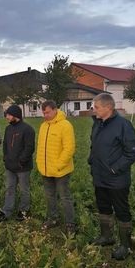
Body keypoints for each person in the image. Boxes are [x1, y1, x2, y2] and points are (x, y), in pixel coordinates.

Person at [88, 93, 135, 260]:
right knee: (103, 207)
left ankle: (125, 245)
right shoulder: (97, 124)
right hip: (99, 177)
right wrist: (92, 161)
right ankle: (106, 237)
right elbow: (94, 146)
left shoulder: (123, 125)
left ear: (108, 107)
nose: (93, 110)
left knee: (122, 211)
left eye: (96, 107)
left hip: (116, 180)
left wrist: (114, 169)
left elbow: (132, 153)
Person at [36, 100, 76, 234]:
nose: (45, 115)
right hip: (46, 170)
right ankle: (53, 218)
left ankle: (70, 224)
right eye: (43, 113)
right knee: (49, 196)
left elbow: (69, 148)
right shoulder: (43, 126)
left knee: (65, 197)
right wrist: (39, 162)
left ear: (55, 109)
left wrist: (59, 165)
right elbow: (40, 147)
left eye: (47, 112)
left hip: (61, 171)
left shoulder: (65, 125)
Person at [0, 105, 35, 222]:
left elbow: (29, 148)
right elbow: (5, 146)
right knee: (9, 188)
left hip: (23, 167)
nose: (6, 117)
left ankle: (24, 210)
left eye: (8, 114)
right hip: (10, 167)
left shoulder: (28, 129)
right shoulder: (8, 129)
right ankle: (6, 211)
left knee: (24, 190)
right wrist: (5, 159)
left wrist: (21, 161)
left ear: (15, 115)